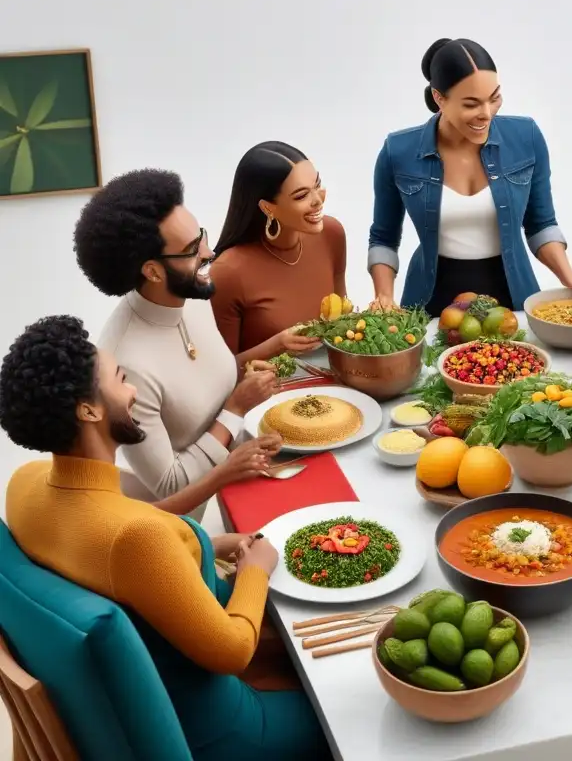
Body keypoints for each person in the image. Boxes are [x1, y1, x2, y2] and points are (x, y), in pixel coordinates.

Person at [0, 315, 330, 760]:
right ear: (89, 410)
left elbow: (106, 539)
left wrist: (207, 545)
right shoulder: (138, 540)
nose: (133, 390)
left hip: (146, 695)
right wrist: (256, 570)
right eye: (120, 379)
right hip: (223, 728)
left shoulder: (26, 484)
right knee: (352, 704)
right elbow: (233, 652)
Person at [75, 168, 280, 508]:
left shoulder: (190, 297)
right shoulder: (126, 362)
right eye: (191, 249)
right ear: (152, 271)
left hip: (249, 469)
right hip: (201, 518)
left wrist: (275, 347)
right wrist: (236, 408)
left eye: (201, 235)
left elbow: (208, 381)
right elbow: (170, 487)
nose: (209, 252)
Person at [367, 38, 572, 315]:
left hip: (513, 299)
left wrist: (568, 277)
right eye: (471, 104)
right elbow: (384, 238)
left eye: (494, 98)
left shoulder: (526, 137)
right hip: (430, 302)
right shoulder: (398, 151)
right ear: (439, 98)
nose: (486, 114)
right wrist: (384, 296)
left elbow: (541, 223)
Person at [211, 141, 345, 361]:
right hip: (270, 392)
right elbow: (217, 374)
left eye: (317, 184)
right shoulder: (228, 272)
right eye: (301, 196)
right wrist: (276, 346)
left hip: (334, 383)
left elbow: (341, 320)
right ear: (267, 207)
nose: (318, 200)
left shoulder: (332, 234)